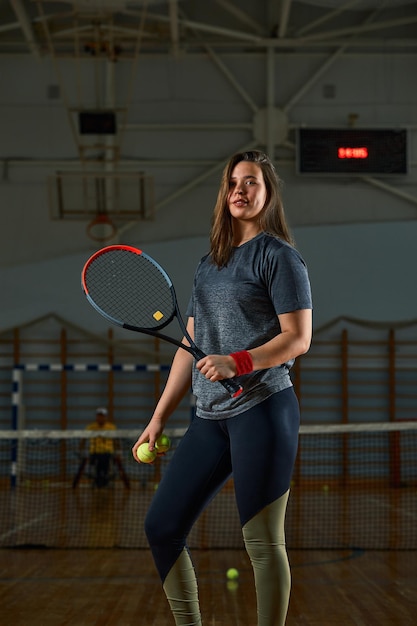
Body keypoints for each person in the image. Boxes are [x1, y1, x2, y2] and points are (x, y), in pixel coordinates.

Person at [132, 150, 313, 625]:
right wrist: (157, 419)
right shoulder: (208, 264)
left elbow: (298, 338)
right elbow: (188, 349)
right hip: (208, 419)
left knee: (262, 542)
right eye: (233, 182)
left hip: (264, 408)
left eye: (251, 182)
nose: (240, 190)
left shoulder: (279, 257)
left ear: (268, 193)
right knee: (162, 526)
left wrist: (238, 362)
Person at [85, 407, 117, 488]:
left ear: (105, 417)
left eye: (102, 416)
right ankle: (97, 481)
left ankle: (105, 480)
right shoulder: (91, 427)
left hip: (107, 453)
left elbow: (116, 440)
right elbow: (83, 439)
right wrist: (81, 450)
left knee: (106, 465)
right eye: (98, 416)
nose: (100, 418)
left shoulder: (111, 427)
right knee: (96, 466)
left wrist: (119, 451)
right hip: (94, 453)